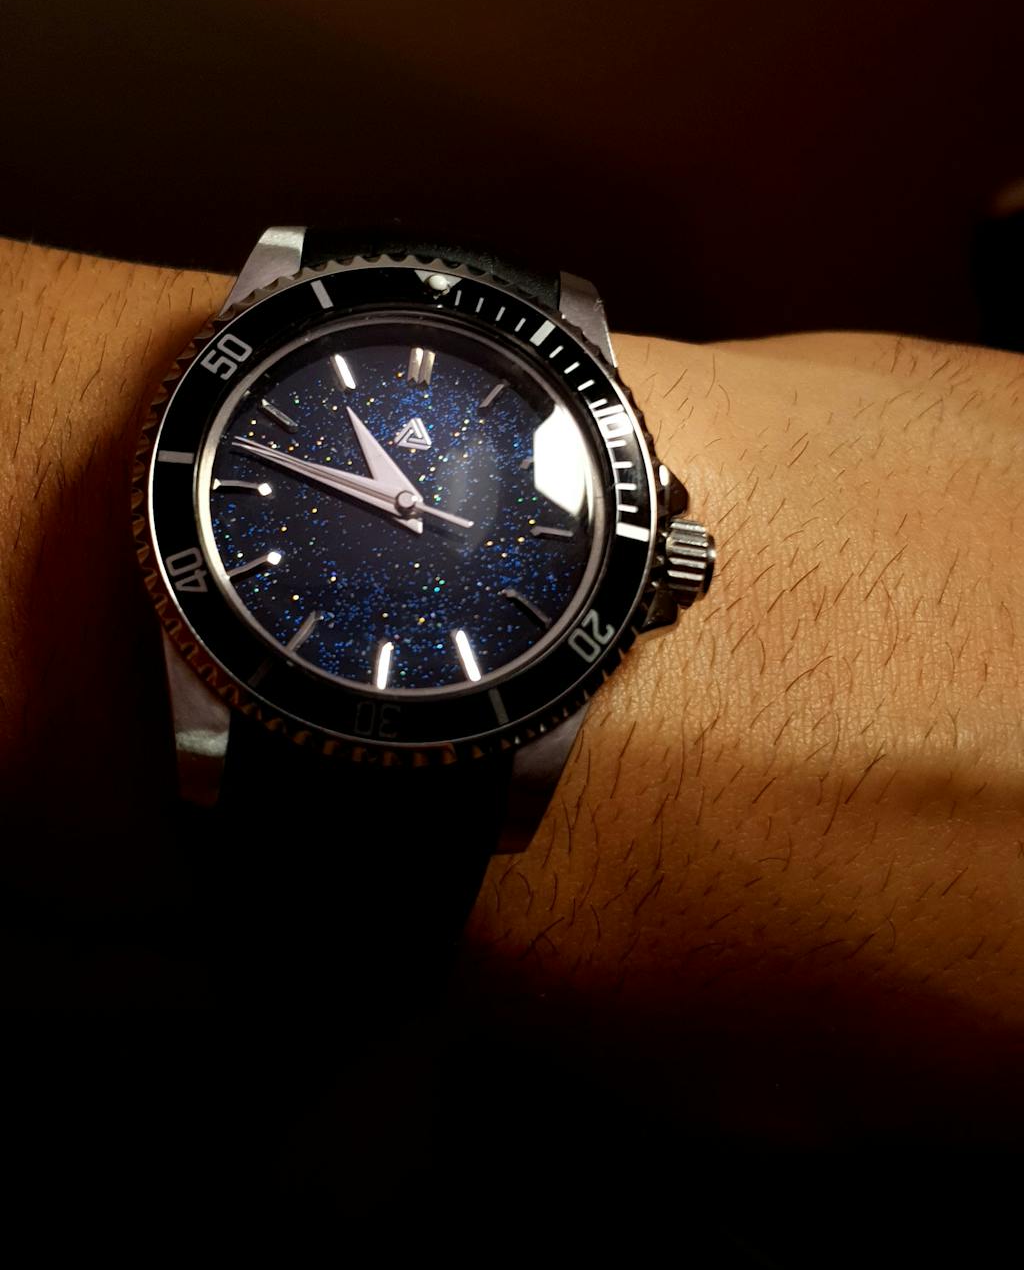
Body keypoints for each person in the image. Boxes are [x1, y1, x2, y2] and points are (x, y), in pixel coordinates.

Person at [2, 233, 1022, 1167]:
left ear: (666, 562)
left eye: (405, 500)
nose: (404, 503)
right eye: (397, 498)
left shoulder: (524, 750)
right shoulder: (208, 745)